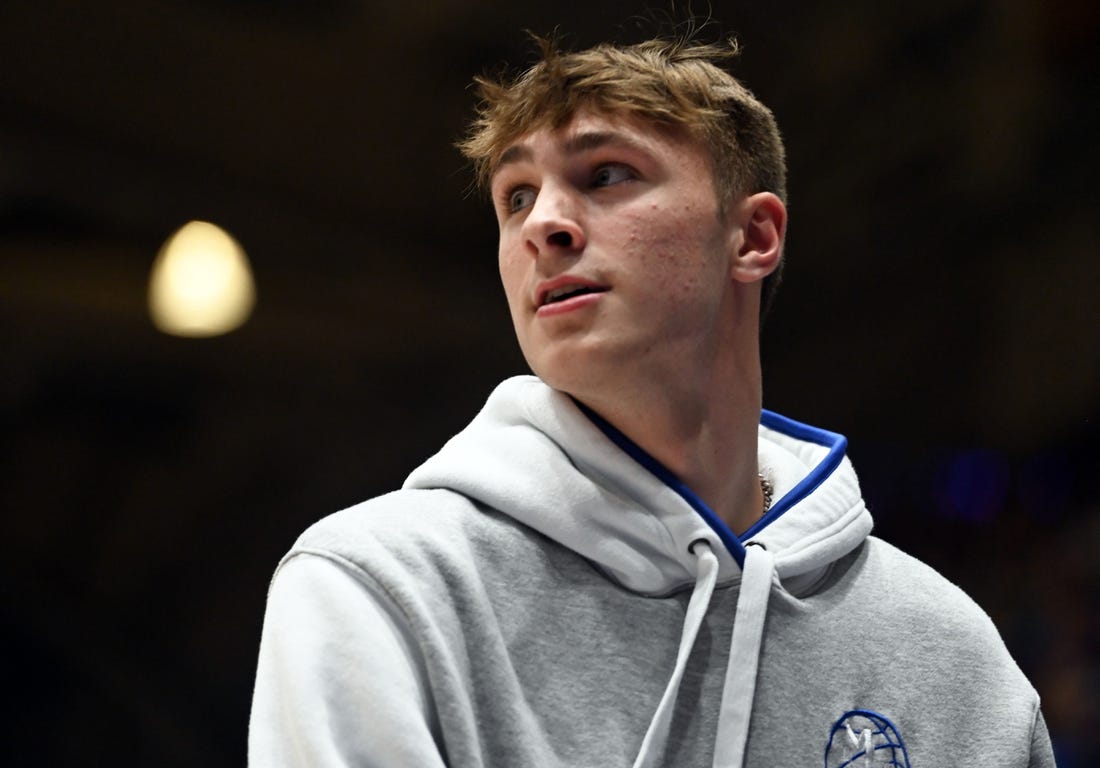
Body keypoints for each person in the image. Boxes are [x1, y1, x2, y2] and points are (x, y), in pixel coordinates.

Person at [249, 33, 1055, 767]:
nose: (545, 226)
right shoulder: (379, 588)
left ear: (753, 238)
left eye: (605, 176)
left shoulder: (954, 661)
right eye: (516, 197)